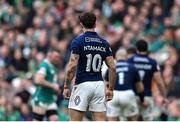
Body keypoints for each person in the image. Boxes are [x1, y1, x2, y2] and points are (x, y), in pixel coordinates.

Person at [63, 12, 116, 121]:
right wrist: (110, 88)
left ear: (81, 24)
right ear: (95, 24)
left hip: (82, 84)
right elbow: (112, 67)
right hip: (99, 85)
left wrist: (66, 86)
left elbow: (72, 66)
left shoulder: (78, 41)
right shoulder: (104, 43)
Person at [128, 39, 166, 120]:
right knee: (147, 119)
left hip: (133, 95)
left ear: (136, 49)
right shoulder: (152, 62)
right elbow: (159, 82)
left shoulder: (130, 61)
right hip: (147, 95)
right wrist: (164, 96)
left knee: (132, 119)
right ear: (147, 49)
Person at [106, 48, 146, 121]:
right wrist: (142, 100)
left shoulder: (111, 68)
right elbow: (140, 87)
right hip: (128, 94)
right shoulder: (132, 67)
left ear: (115, 57)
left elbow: (106, 85)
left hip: (114, 95)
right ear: (126, 56)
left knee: (111, 119)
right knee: (132, 119)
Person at [32, 49, 60, 121]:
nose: (58, 59)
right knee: (38, 120)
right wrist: (52, 86)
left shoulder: (52, 66)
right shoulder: (44, 66)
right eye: (56, 57)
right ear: (49, 55)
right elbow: (38, 80)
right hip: (41, 98)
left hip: (50, 99)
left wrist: (55, 89)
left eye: (58, 57)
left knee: (54, 119)